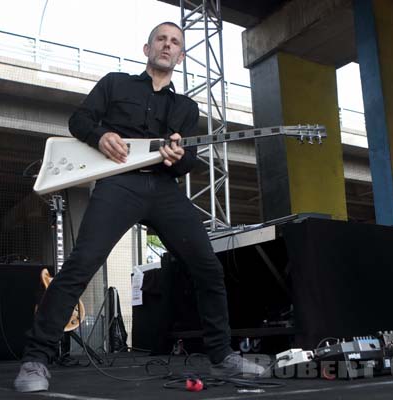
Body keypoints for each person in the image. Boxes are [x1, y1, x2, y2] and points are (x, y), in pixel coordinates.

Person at [14, 21, 264, 393]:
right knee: (81, 264)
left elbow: (185, 161)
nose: (167, 45)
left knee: (208, 267)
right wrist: (101, 136)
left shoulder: (186, 108)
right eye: (161, 40)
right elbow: (78, 120)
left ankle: (222, 356)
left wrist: (178, 156)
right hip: (119, 184)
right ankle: (35, 359)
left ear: (180, 56)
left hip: (163, 188)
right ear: (147, 49)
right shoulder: (115, 83)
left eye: (175, 42)